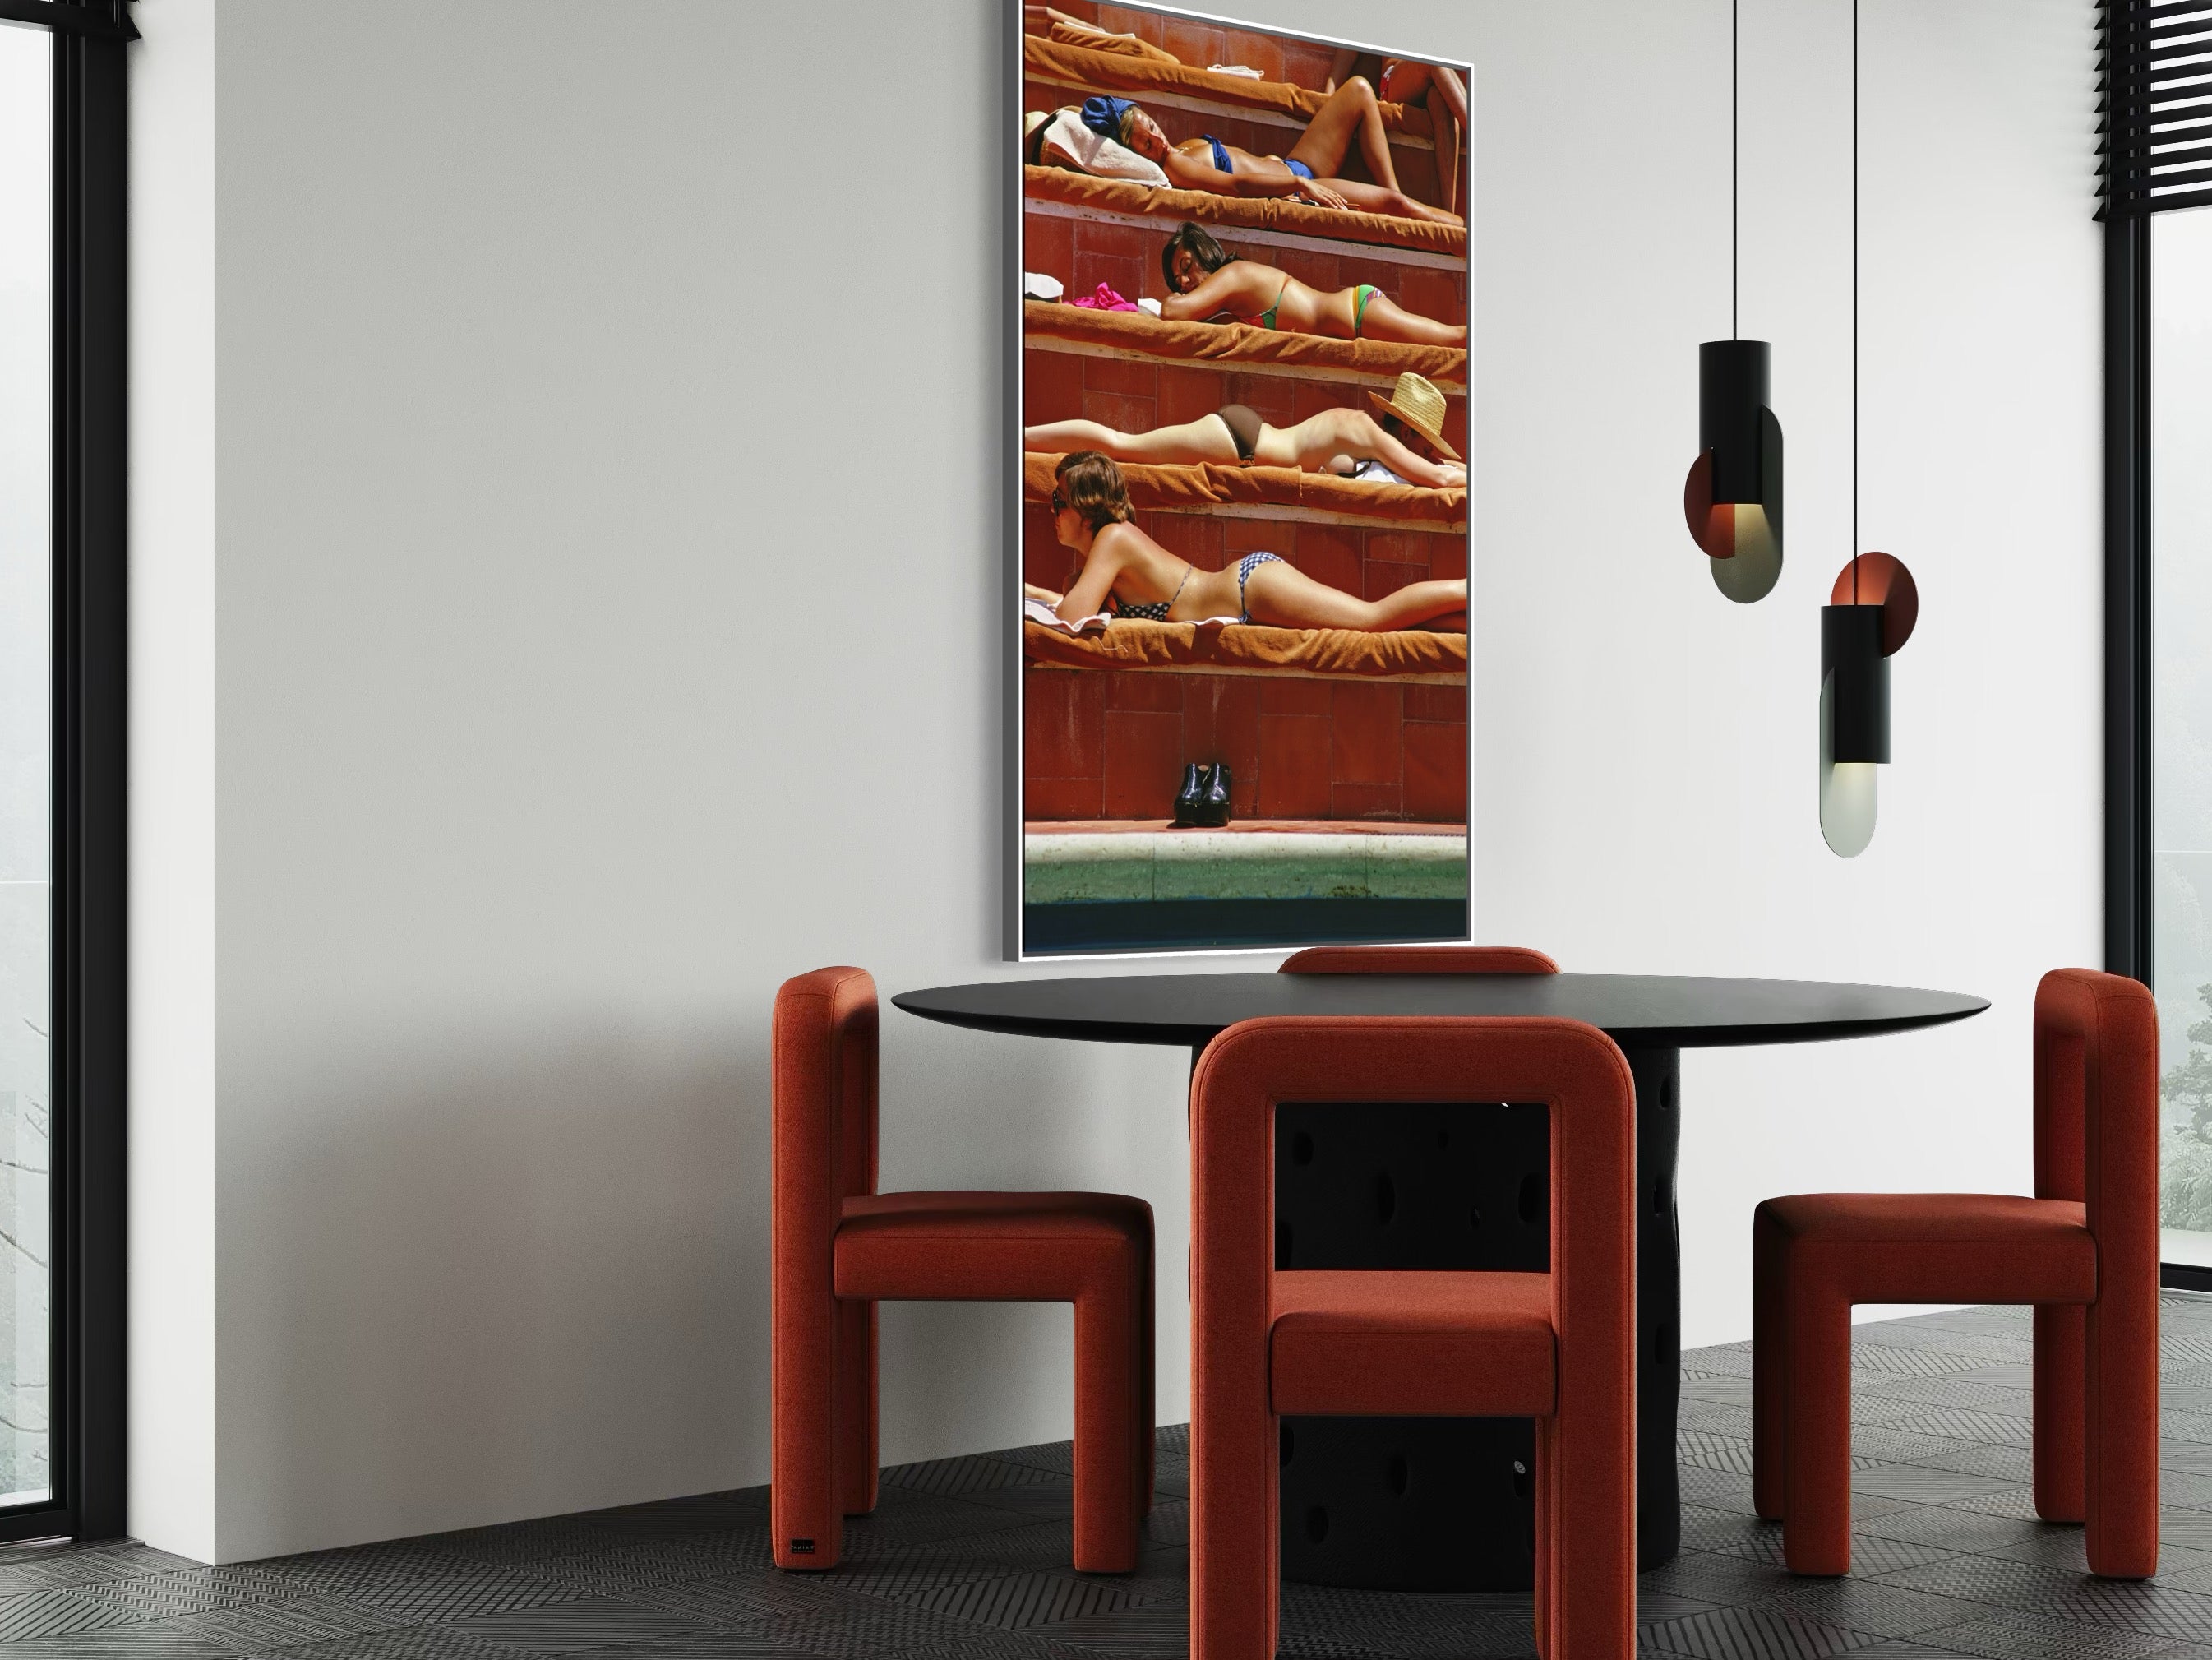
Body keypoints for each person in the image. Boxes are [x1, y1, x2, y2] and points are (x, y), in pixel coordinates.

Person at [1027, 451, 1466, 631]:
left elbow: (1070, 619)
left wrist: (1050, 595)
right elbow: (1074, 602)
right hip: (1245, 591)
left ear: (1085, 506)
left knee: (1373, 619)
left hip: (1249, 588)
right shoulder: (1106, 552)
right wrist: (1034, 592)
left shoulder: (1113, 539)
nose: (1053, 511)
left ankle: (1471, 590)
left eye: (1058, 500)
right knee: (1386, 626)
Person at [1024, 371, 1466, 491]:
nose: (1425, 453)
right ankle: (1024, 438)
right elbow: (1438, 479)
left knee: (1125, 446)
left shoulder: (1363, 430)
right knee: (1124, 446)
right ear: (1408, 433)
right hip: (1241, 442)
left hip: (1247, 437)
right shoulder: (1372, 435)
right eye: (1424, 444)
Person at [1079, 92, 1462, 226]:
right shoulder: (1174, 167)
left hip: (1293, 164)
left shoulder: (1178, 148)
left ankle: (1399, 205)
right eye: (1146, 146)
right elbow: (1238, 185)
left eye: (1150, 126)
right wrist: (1299, 184)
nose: (1156, 140)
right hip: (1297, 187)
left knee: (1360, 92)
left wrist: (1294, 172)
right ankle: (1463, 231)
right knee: (1395, 205)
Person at [1157, 222, 1463, 346]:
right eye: (1177, 280)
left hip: (1359, 313)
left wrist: (1171, 298)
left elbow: (1173, 311)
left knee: (1454, 341)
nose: (1183, 282)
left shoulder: (1233, 275)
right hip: (1355, 318)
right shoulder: (1227, 305)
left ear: (1204, 252)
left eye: (1186, 266)